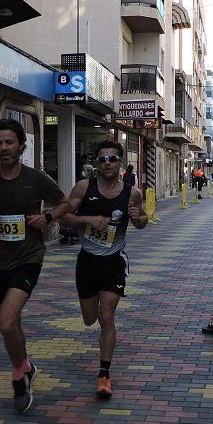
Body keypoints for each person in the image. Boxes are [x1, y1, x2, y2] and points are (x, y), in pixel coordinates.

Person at [0, 119, 73, 413]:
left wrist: (47, 218)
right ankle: (25, 365)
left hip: (28, 258)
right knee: (13, 324)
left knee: (6, 322)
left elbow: (65, 204)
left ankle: (18, 378)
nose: (3, 148)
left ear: (21, 145)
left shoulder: (35, 178)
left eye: (9, 142)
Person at [62, 141, 148, 399]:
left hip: (113, 261)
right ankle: (96, 318)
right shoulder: (83, 188)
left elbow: (142, 221)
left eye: (112, 158)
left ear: (121, 162)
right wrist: (88, 219)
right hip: (87, 262)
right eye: (103, 159)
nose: (108, 163)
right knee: (90, 318)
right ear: (97, 163)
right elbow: (63, 216)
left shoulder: (133, 193)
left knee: (107, 315)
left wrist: (137, 219)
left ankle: (104, 374)